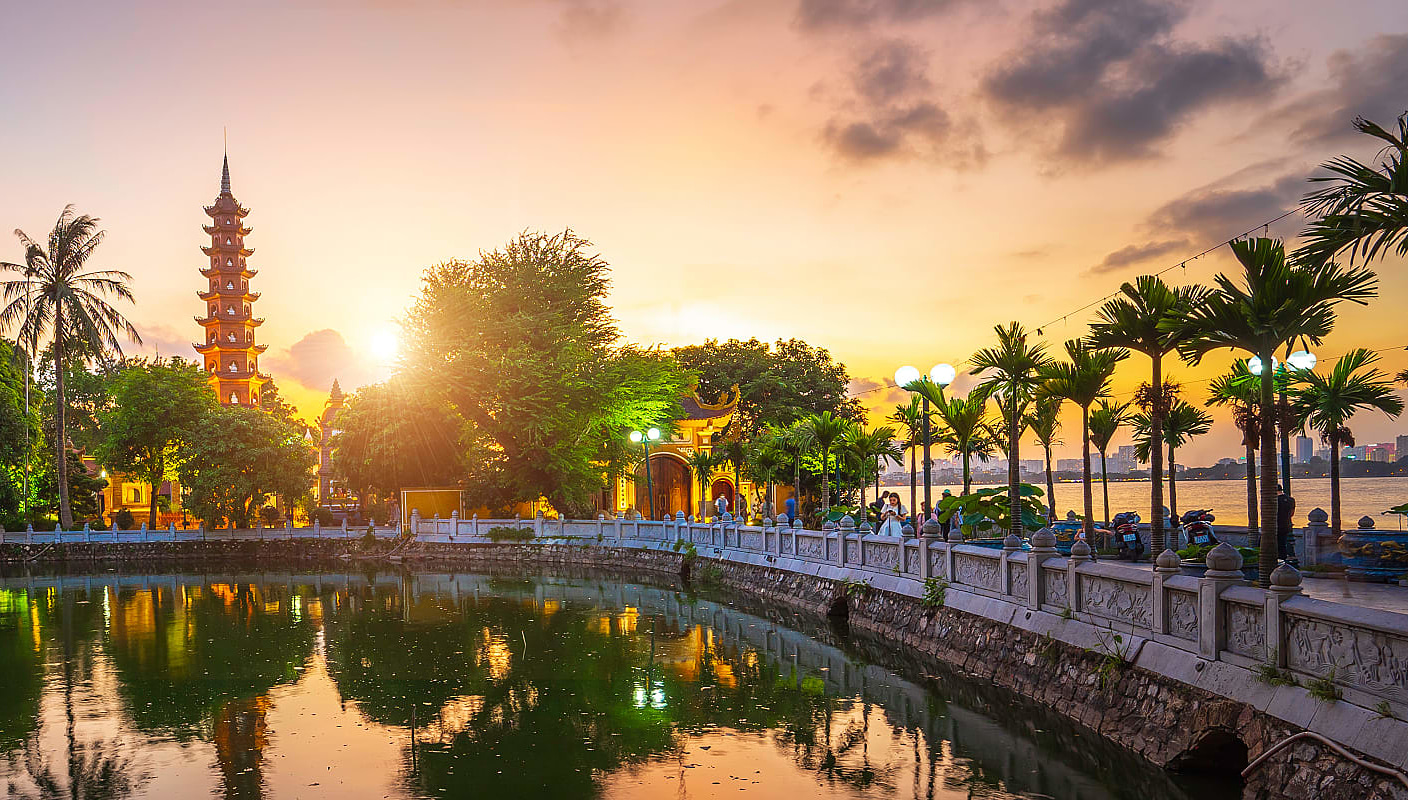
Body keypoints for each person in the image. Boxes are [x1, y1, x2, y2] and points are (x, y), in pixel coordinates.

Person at [1276, 485, 1297, 564]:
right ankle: (1283, 562)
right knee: (1282, 544)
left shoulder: (1275, 500)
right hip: (1286, 525)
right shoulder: (1291, 500)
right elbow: (1292, 513)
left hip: (1276, 526)